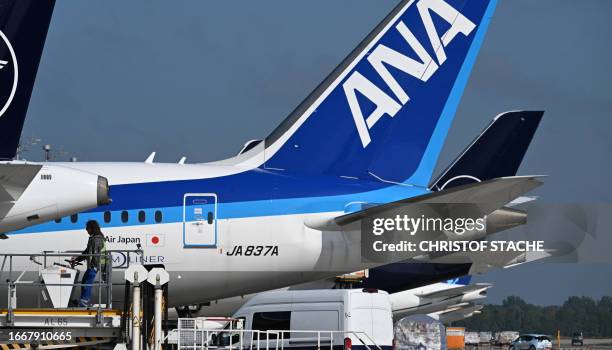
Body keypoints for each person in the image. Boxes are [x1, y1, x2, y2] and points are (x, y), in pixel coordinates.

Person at [71, 220, 107, 307]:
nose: (86, 230)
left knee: (87, 283)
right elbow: (87, 252)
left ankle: (83, 304)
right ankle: (83, 302)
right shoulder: (94, 238)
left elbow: (95, 254)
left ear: (92, 228)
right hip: (93, 265)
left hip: (95, 265)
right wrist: (77, 259)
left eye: (87, 228)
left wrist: (94, 266)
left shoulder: (97, 239)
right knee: (84, 281)